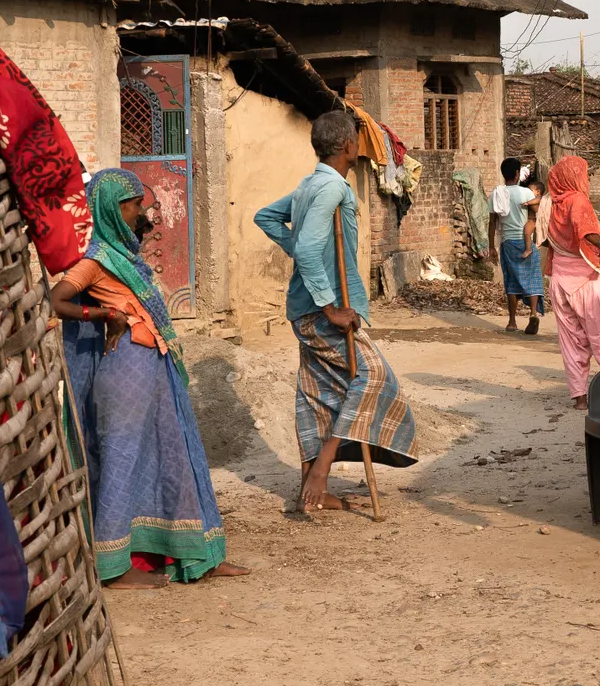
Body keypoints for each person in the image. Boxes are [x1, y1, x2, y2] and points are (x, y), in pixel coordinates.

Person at [54, 168, 248, 587]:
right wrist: (105, 314)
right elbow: (57, 300)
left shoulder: (125, 260)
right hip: (125, 372)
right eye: (135, 205)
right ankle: (114, 568)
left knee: (177, 459)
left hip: (152, 370)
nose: (143, 213)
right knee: (122, 462)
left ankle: (199, 557)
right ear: (115, 209)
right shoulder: (97, 260)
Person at [254, 111, 419, 513]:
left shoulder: (309, 185)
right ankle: (323, 466)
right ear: (347, 145)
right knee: (373, 375)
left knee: (317, 394)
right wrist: (330, 306)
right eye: (358, 141)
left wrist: (301, 251)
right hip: (320, 310)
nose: (359, 147)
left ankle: (312, 489)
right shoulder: (332, 188)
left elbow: (267, 217)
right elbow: (308, 247)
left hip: (302, 307)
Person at [544, 155, 600, 410]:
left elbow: (546, 240)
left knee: (571, 342)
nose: (587, 178)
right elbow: (585, 231)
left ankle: (580, 397)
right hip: (588, 280)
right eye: (585, 173)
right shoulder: (577, 200)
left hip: (559, 279)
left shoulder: (548, 203)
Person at [489, 157, 544, 334]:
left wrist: (491, 247)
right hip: (526, 239)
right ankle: (533, 314)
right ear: (517, 174)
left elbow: (492, 223)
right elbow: (538, 213)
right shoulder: (526, 193)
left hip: (508, 242)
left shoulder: (496, 194)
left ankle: (512, 321)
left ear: (503, 174)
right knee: (533, 278)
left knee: (511, 281)